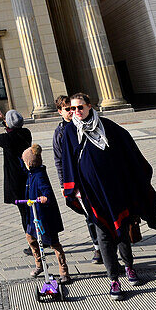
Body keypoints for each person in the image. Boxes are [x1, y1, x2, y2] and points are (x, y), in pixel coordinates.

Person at [57, 92, 156, 301]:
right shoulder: (69, 131)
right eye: (73, 108)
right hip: (90, 192)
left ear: (89, 106)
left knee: (121, 229)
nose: (76, 112)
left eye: (80, 107)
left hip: (115, 189)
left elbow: (127, 149)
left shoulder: (107, 126)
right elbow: (67, 160)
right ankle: (114, 279)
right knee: (103, 234)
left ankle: (129, 267)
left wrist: (135, 175)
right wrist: (72, 188)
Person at [52, 95, 101, 264]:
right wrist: (62, 184)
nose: (72, 112)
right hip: (76, 181)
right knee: (89, 216)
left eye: (73, 108)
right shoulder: (60, 132)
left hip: (92, 177)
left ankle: (107, 244)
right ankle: (97, 247)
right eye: (68, 110)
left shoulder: (83, 125)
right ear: (60, 112)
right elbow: (59, 161)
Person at [20, 145, 70, 283]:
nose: (24, 164)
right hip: (33, 215)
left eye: (26, 162)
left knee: (54, 244)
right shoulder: (31, 172)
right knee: (30, 238)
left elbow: (47, 191)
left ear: (30, 163)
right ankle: (39, 264)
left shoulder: (40, 175)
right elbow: (23, 163)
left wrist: (44, 198)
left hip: (44, 217)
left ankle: (64, 271)